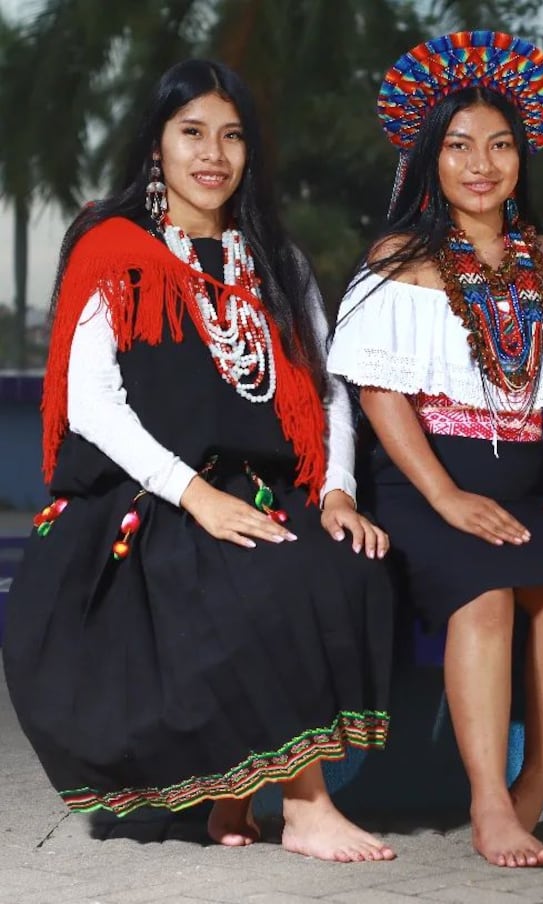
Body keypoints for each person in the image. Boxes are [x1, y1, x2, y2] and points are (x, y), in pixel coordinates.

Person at [2, 59, 397, 863]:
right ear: (157, 146)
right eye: (192, 133)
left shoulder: (275, 260)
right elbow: (91, 403)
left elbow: (325, 391)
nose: (212, 153)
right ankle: (307, 808)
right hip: (143, 496)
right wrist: (196, 496)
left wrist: (339, 491)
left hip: (261, 484)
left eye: (232, 135)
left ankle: (228, 800)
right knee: (265, 573)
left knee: (346, 558)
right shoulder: (114, 249)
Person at [326, 32, 543, 869]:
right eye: (459, 147)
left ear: (523, 156)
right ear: (430, 158)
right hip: (423, 485)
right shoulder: (398, 262)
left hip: (524, 484)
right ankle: (487, 804)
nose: (482, 164)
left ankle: (530, 789)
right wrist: (443, 498)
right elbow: (377, 392)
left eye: (501, 144)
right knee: (482, 597)